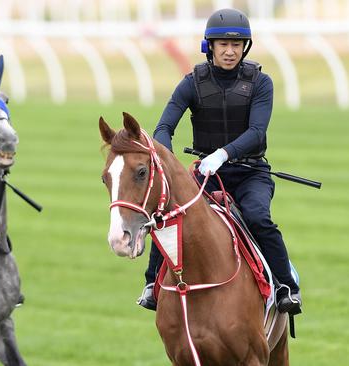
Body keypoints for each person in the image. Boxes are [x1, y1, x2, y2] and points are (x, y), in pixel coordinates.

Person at [136, 8, 302, 315]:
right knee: (168, 215)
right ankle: (152, 286)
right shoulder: (191, 83)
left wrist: (222, 155)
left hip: (251, 173)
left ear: (245, 47)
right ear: (210, 46)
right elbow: (163, 128)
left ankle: (286, 287)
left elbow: (256, 132)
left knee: (257, 217)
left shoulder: (261, 82)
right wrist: (168, 163)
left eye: (236, 45)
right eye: (222, 44)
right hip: (205, 175)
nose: (229, 51)